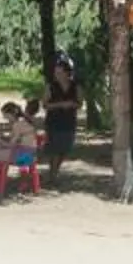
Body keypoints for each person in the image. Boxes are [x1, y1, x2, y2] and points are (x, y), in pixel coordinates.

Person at [40, 53, 82, 185]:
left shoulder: (76, 86)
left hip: (69, 121)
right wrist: (59, 105)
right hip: (54, 121)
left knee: (65, 148)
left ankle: (54, 172)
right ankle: (52, 175)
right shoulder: (50, 86)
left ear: (66, 73)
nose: (57, 75)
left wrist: (71, 104)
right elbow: (45, 104)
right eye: (55, 72)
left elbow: (80, 103)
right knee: (54, 149)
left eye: (59, 72)